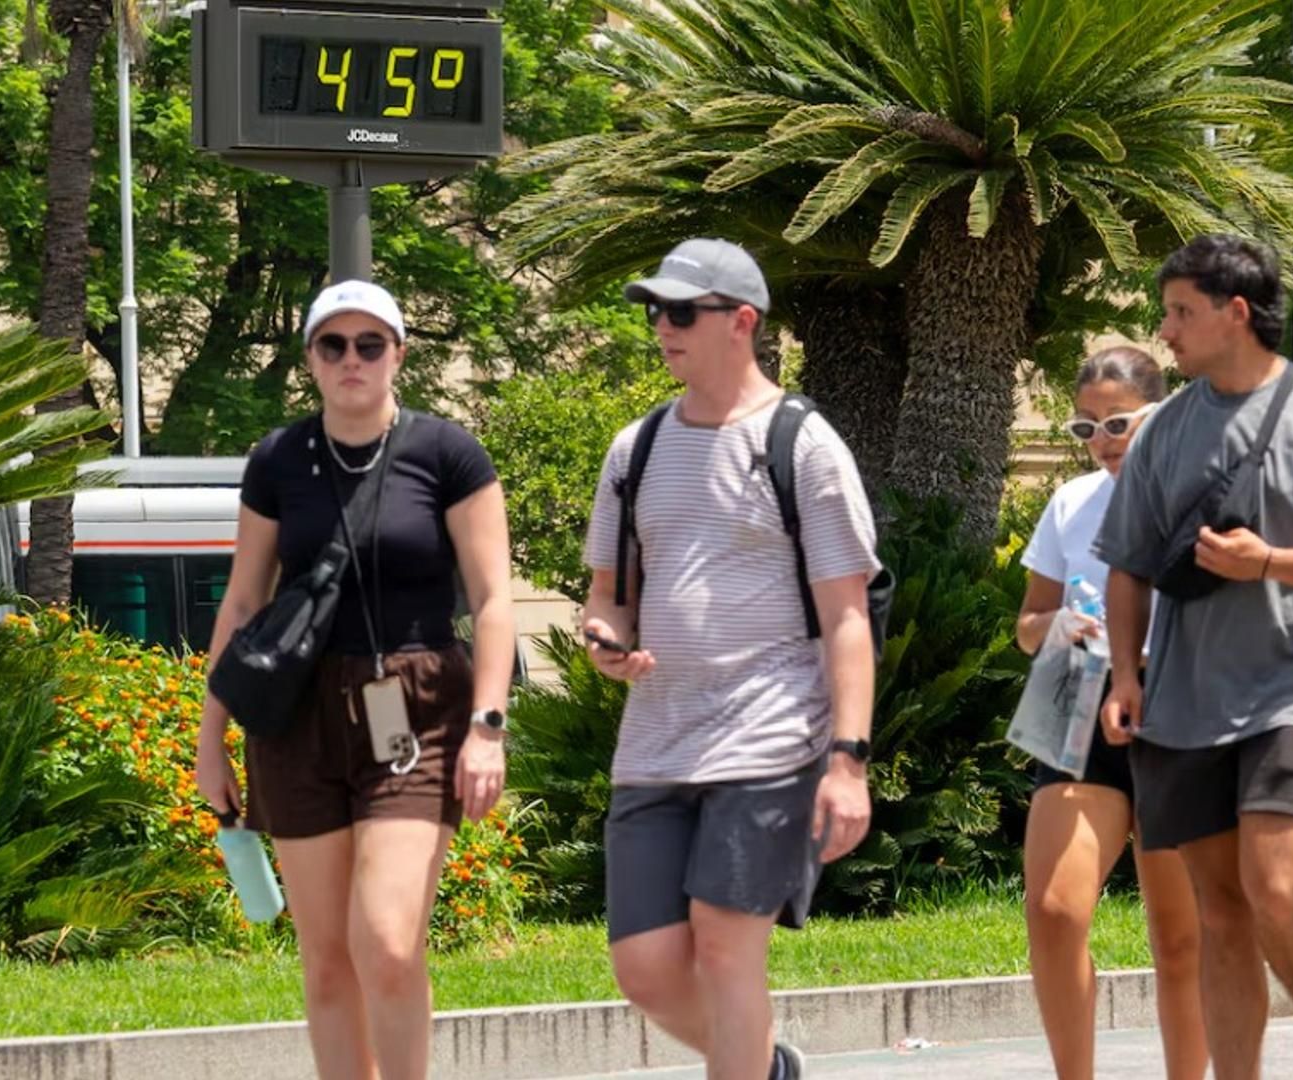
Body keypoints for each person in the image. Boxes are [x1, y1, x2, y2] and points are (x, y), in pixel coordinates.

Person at [1094, 235, 1293, 1080]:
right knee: (1222, 914)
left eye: (1180, 312)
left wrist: (1270, 562)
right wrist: (1126, 677)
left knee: (1275, 887)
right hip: (1186, 699)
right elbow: (1126, 565)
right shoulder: (1165, 433)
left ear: (1236, 314)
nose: (1165, 331)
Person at [195, 279, 514, 1080]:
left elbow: (493, 599)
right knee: (328, 960)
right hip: (296, 717)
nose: (352, 360)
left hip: (414, 706)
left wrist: (487, 727)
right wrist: (209, 743)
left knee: (387, 939)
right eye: (332, 344)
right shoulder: (277, 460)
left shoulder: (446, 453)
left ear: (398, 353)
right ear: (309, 358)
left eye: (370, 344)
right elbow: (242, 600)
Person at [580, 238, 881, 1080]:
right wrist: (604, 639)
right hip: (656, 742)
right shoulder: (633, 451)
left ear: (741, 322)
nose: (661, 328)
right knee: (642, 966)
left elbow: (847, 616)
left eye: (681, 311)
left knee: (724, 950)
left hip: (772, 737)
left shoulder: (806, 446)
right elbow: (607, 595)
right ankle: (766, 1065)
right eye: (655, 312)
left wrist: (847, 762)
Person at [1015, 346, 1207, 1080]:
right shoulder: (1070, 504)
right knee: (1055, 910)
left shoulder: (1203, 494)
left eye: (1118, 422)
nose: (1102, 442)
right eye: (1084, 428)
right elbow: (1029, 621)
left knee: (1178, 934)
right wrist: (1059, 626)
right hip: (1079, 700)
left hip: (1178, 710)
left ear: (1161, 412)